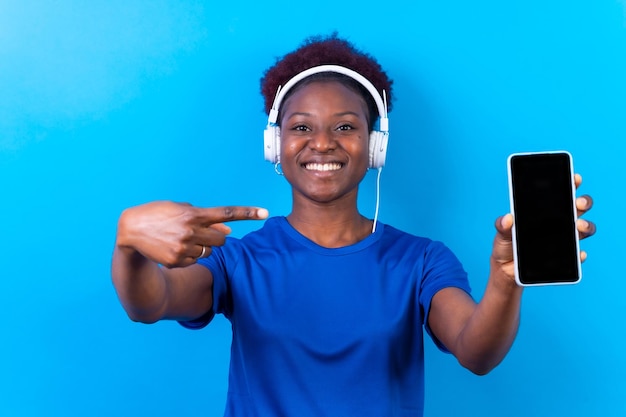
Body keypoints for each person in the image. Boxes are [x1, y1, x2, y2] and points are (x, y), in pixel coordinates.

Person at [111, 33, 596, 416]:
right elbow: (151, 302)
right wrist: (129, 246)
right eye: (301, 127)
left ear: (374, 146)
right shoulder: (240, 258)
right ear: (274, 144)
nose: (322, 143)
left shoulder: (422, 261)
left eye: (345, 126)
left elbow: (476, 351)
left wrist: (508, 279)